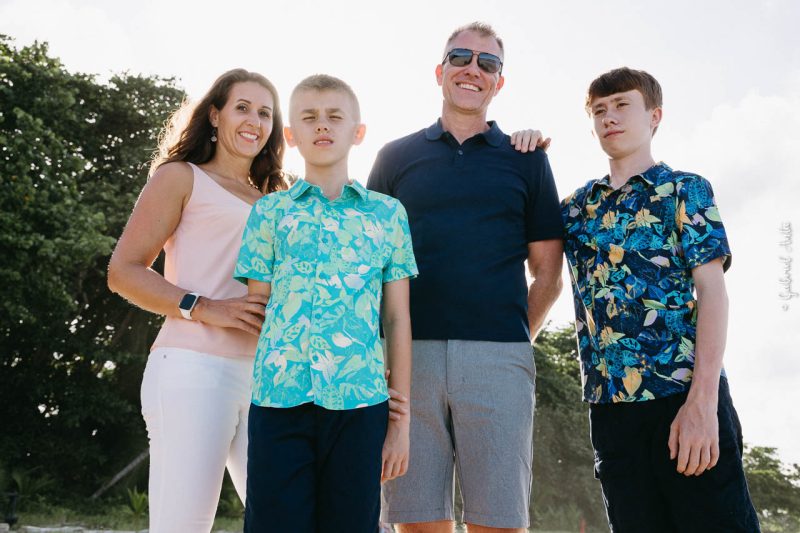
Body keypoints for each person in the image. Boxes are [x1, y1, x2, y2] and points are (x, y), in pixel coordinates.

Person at [367, 22, 563, 533]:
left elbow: (547, 274)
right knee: (417, 523)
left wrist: (514, 344)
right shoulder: (394, 158)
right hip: (410, 363)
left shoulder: (527, 160)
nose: (473, 69)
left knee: (499, 524)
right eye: (461, 57)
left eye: (488, 63)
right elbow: (370, 266)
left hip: (499, 358)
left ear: (499, 82)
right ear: (440, 72)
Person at [561, 67, 760, 532]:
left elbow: (713, 292)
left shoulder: (684, 190)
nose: (609, 117)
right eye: (599, 110)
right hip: (611, 409)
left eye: (621, 105)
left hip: (682, 396)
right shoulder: (574, 209)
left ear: (654, 116)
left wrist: (702, 404)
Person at [234, 74, 418, 533]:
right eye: (309, 118)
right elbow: (257, 308)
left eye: (335, 116)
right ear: (291, 135)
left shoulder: (387, 214)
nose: (323, 126)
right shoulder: (269, 213)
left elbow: (396, 318)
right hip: (279, 400)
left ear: (358, 132)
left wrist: (401, 421)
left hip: (360, 404)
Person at [108, 68, 285, 532]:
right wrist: (206, 306)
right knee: (184, 525)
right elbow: (123, 271)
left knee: (285, 517)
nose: (254, 120)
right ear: (214, 114)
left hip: (269, 383)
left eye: (265, 112)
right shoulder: (181, 178)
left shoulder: (277, 201)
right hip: (193, 368)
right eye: (242, 107)